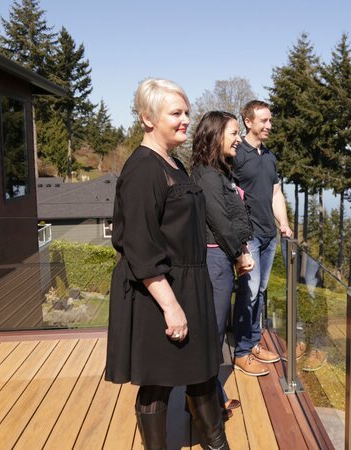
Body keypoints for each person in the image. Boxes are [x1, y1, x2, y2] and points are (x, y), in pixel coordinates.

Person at [105, 79, 228, 450]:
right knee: (157, 382)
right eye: (176, 113)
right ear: (147, 118)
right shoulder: (143, 169)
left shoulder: (170, 162)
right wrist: (171, 306)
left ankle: (216, 445)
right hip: (159, 291)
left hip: (188, 284)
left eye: (186, 112)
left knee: (203, 372)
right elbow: (140, 247)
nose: (186, 120)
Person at [190, 111, 255, 418]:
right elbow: (220, 222)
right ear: (216, 136)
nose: (238, 139)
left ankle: (210, 396)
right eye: (233, 133)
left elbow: (233, 217)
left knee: (214, 332)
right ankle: (204, 403)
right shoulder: (206, 176)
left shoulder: (218, 173)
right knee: (212, 333)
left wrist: (240, 250)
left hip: (221, 258)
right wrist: (240, 254)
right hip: (215, 260)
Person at [232, 100, 293, 376]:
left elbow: (275, 194)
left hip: (270, 236)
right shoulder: (236, 154)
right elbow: (229, 196)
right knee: (249, 290)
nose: (269, 125)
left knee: (261, 290)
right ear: (248, 121)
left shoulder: (269, 156)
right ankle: (242, 350)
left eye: (270, 121)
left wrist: (284, 224)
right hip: (249, 237)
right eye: (264, 121)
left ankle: (254, 342)